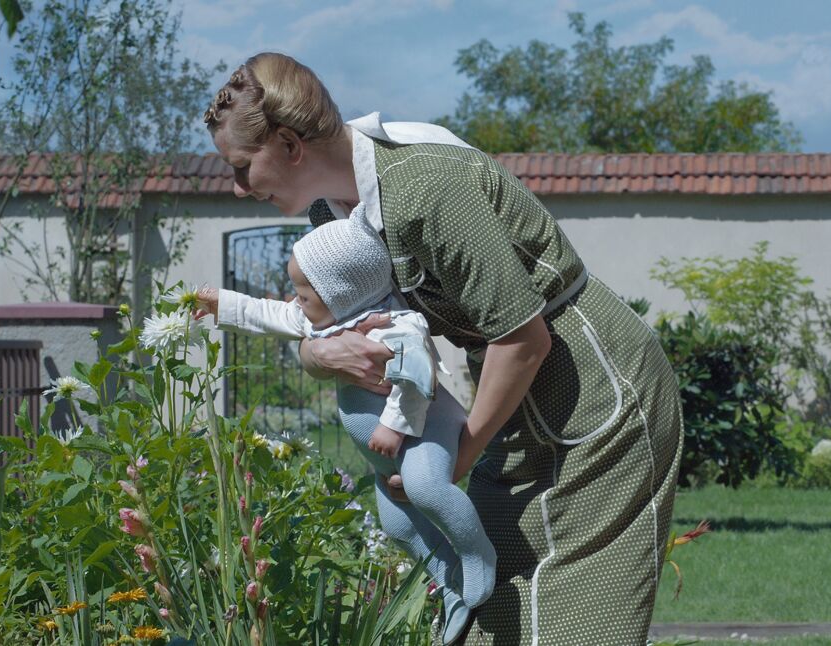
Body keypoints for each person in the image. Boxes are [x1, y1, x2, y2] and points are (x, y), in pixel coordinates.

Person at [200, 52, 684, 645]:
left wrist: (454, 463)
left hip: (593, 387)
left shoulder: (426, 188)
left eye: (243, 167)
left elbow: (523, 339)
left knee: (573, 616)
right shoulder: (330, 212)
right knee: (495, 604)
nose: (238, 188)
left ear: (288, 145)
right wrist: (317, 356)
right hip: (512, 399)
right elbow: (327, 323)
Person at [197, 207, 495, 643]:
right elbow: (269, 313)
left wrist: (393, 426)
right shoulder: (327, 319)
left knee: (427, 488)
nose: (295, 300)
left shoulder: (397, 325)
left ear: (340, 292)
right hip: (386, 455)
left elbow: (418, 376)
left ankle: (477, 555)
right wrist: (220, 304)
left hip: (424, 431)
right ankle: (448, 578)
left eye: (304, 294)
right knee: (398, 525)